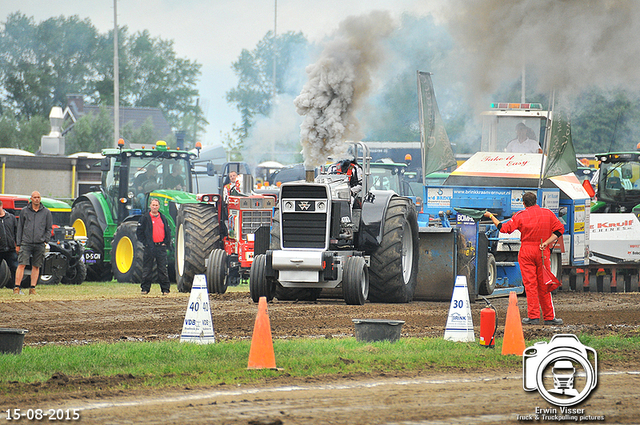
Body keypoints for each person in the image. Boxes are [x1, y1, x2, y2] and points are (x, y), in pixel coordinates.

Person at [484, 192, 564, 325]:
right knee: (544, 284)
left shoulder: (520, 216)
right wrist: (546, 242)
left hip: (527, 251)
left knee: (530, 285)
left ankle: (533, 317)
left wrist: (491, 216)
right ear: (536, 201)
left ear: (524, 203)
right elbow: (559, 230)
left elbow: (504, 229)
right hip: (543, 251)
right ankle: (549, 317)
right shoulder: (548, 213)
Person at [14, 191, 52, 295]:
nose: (36, 199)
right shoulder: (24, 211)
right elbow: (20, 228)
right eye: (34, 197)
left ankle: (33, 288)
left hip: (39, 244)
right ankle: (17, 287)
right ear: (31, 198)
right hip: (26, 242)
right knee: (22, 264)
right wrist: (18, 244)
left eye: (38, 197)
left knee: (36, 266)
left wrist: (45, 240)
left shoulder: (46, 212)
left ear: (40, 198)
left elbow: (48, 228)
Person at [136, 198, 171, 295]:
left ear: (159, 206)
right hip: (149, 247)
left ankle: (165, 290)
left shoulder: (163, 218)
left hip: (161, 247)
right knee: (147, 268)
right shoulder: (145, 218)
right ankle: (145, 289)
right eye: (153, 205)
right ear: (150, 206)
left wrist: (166, 242)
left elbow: (168, 230)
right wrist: (146, 243)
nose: (154, 207)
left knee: (163, 269)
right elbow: (139, 232)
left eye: (156, 205)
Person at [0, 200, 18, 290]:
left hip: (10, 249)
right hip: (0, 249)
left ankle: (16, 288)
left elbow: (16, 232)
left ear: (1, 206)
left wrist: (17, 245)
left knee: (15, 268)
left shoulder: (11, 218)